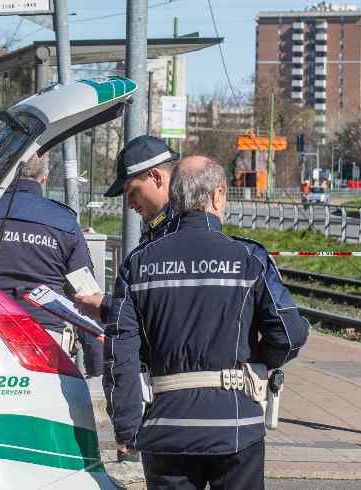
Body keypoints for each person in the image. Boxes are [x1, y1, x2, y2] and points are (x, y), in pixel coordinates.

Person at [104, 156, 309, 489]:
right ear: (217, 196)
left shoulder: (137, 265)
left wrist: (126, 428)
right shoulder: (250, 258)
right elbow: (289, 334)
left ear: (175, 197)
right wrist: (258, 364)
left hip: (164, 427)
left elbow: (119, 353)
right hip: (236, 424)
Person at [0, 154, 102, 377]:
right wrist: (97, 361)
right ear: (45, 177)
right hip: (46, 339)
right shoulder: (64, 221)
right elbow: (85, 294)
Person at [75, 136, 179, 326]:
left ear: (156, 177)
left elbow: (164, 308)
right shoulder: (164, 226)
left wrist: (107, 307)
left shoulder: (179, 230)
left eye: (133, 192)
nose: (129, 204)